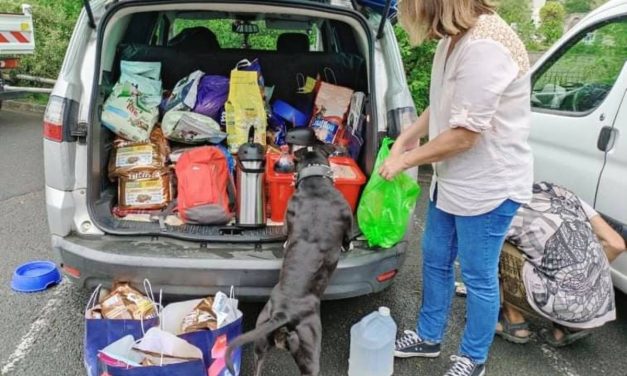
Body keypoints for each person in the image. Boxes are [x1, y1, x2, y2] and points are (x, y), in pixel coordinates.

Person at [380, 1, 534, 375]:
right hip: (453, 180)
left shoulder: (486, 47)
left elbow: (465, 135)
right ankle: (429, 336)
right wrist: (407, 138)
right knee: (434, 257)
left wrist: (403, 161)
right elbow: (444, 105)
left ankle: (473, 357)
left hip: (489, 185)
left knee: (479, 276)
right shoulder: (455, 37)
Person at [497, 181, 626, 347]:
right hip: (598, 304)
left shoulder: (504, 207)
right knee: (556, 257)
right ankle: (567, 327)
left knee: (497, 245)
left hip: (561, 300)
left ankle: (514, 322)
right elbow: (616, 244)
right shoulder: (560, 192)